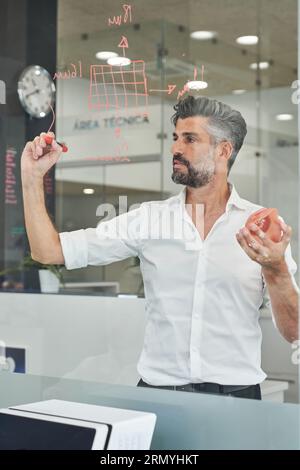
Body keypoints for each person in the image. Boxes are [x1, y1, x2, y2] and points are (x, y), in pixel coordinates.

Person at [20, 95, 299, 400]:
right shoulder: (149, 219)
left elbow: (294, 331)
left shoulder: (262, 228)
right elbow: (49, 251)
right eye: (176, 138)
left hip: (238, 398)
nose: (176, 149)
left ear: (223, 150)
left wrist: (277, 270)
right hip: (160, 397)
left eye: (190, 139)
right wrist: (32, 179)